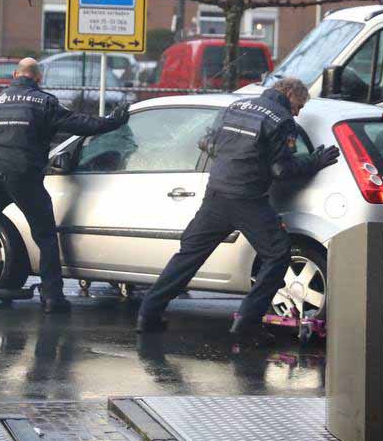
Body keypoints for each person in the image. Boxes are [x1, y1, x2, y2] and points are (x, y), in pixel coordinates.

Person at [135, 77, 341, 341]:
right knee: (278, 254)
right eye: (298, 106)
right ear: (289, 93)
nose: (297, 113)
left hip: (215, 195)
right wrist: (314, 161)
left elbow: (207, 144)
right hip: (248, 199)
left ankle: (148, 314)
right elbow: (281, 169)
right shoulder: (281, 120)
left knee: (188, 256)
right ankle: (247, 322)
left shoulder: (236, 107)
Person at [0, 57, 128, 317]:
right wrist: (113, 121)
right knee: (45, 236)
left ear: (14, 75)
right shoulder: (44, 102)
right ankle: (53, 298)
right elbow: (80, 124)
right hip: (23, 174)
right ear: (38, 78)